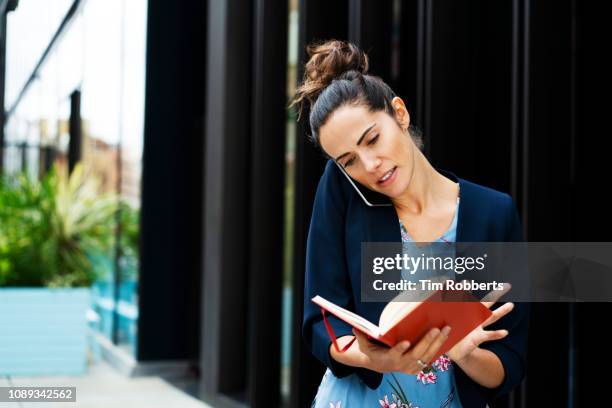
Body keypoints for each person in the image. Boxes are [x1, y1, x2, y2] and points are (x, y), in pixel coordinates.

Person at [289, 39, 529, 408]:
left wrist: (463, 352)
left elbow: (510, 364)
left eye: (372, 139)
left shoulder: (493, 214)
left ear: (399, 113)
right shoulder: (344, 190)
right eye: (348, 160)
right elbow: (319, 321)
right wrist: (372, 357)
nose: (368, 166)